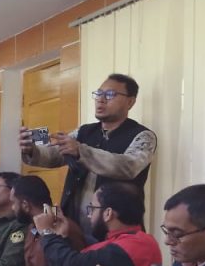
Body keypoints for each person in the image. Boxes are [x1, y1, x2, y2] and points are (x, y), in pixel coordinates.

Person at [20, 73, 157, 236]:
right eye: (98, 94)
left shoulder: (143, 136)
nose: (101, 99)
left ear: (130, 102)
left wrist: (81, 151)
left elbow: (128, 166)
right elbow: (54, 155)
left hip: (115, 229)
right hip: (74, 225)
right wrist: (31, 150)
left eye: (110, 94)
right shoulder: (84, 131)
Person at [36, 182, 162, 266]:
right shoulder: (119, 241)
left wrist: (48, 234)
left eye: (92, 208)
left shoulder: (137, 245)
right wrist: (61, 237)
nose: (89, 216)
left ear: (108, 213)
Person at [10, 175, 85, 266]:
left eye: (13, 203)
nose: (12, 208)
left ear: (25, 205)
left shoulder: (66, 229)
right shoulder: (32, 226)